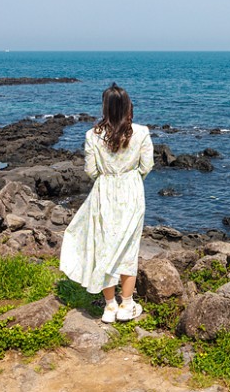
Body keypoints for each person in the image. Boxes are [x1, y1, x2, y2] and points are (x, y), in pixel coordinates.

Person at [60, 83, 153, 322]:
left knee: (104, 247)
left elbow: (91, 170)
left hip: (104, 191)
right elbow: (147, 166)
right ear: (128, 106)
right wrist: (131, 177)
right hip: (131, 191)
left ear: (105, 107)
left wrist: (109, 177)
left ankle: (110, 306)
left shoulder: (92, 135)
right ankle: (128, 304)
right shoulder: (141, 132)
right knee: (128, 250)